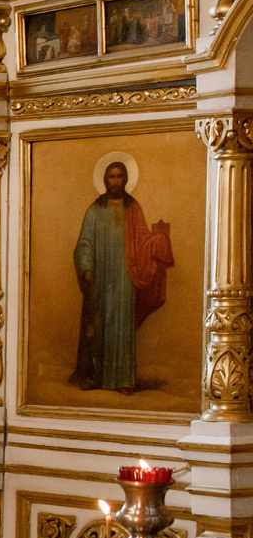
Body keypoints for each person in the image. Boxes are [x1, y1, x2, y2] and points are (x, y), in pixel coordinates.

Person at [73, 158, 173, 392]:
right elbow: (84, 243)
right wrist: (86, 267)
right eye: (112, 176)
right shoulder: (95, 209)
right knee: (98, 323)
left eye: (119, 176)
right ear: (105, 180)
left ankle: (123, 379)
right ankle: (94, 376)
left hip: (125, 276)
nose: (116, 181)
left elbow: (141, 240)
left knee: (121, 325)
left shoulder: (133, 207)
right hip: (100, 277)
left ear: (126, 179)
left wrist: (158, 241)